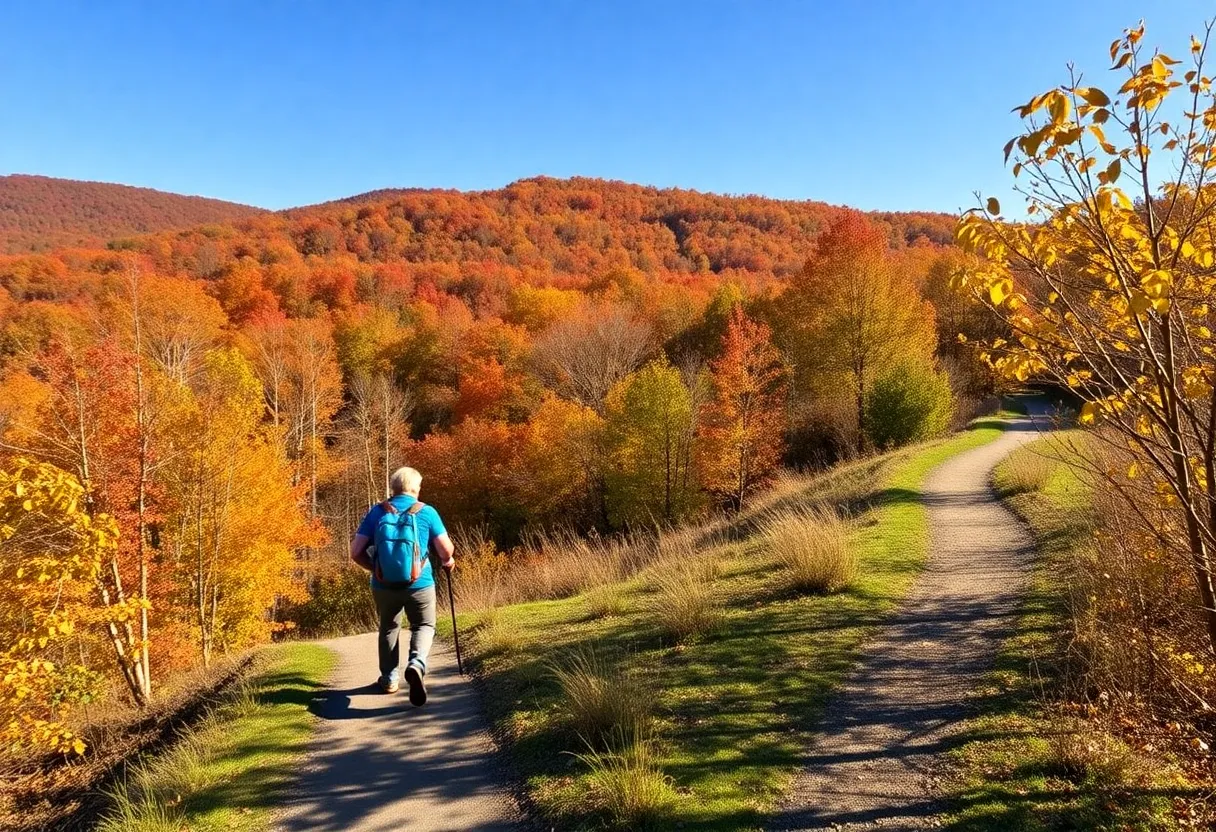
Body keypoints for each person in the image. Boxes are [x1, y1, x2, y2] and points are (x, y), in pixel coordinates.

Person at [350, 466, 456, 705]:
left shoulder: (376, 512)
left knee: (389, 627)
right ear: (416, 489)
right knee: (424, 625)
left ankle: (389, 678)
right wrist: (448, 561)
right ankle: (416, 663)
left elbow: (355, 552)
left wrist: (376, 569)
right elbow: (445, 550)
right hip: (421, 583)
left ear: (393, 488)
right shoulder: (427, 512)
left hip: (383, 585)